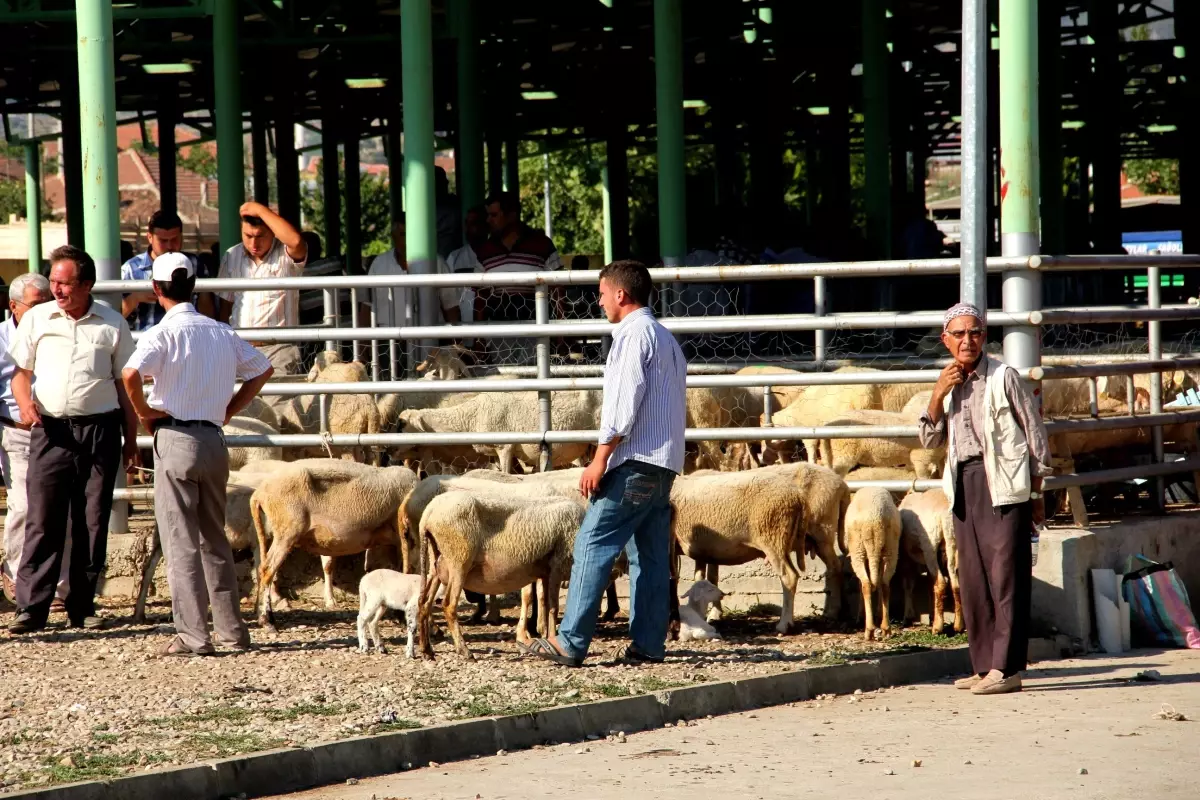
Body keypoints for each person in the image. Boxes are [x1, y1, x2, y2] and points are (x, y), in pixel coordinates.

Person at [522, 260, 686, 667]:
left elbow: (622, 405)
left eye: (600, 293)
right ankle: (648, 644)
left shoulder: (632, 337)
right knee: (647, 556)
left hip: (631, 461)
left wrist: (599, 460)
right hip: (663, 464)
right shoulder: (667, 338)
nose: (598, 302)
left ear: (620, 294)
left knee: (592, 543)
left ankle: (570, 641)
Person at [121, 253, 274, 656]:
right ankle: (232, 632)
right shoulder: (221, 332)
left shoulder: (161, 334)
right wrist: (231, 409)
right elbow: (263, 368)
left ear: (156, 290)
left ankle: (193, 635)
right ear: (194, 286)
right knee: (214, 539)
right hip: (213, 439)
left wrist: (143, 412)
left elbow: (130, 374)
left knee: (180, 540)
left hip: (174, 437)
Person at [917, 302, 1052, 695]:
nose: (967, 340)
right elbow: (929, 441)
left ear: (984, 337)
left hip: (1005, 484)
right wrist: (938, 393)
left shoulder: (1003, 376)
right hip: (964, 483)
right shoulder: (948, 383)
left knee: (1005, 575)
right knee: (973, 578)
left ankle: (1007, 669)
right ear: (945, 340)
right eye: (958, 334)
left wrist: (1038, 489)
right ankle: (983, 666)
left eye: (974, 332)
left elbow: (1034, 432)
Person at [6, 246, 139, 634]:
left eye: (65, 283)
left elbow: (124, 385)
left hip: (100, 430)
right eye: (54, 282)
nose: (57, 290)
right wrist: (25, 402)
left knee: (92, 521)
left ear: (87, 285)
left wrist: (131, 440)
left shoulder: (112, 324)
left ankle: (82, 604)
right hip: (51, 431)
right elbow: (20, 372)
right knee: (42, 517)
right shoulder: (38, 320)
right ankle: (31, 608)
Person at [0, 272, 71, 610]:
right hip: (15, 430)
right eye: (36, 304)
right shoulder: (1, 338)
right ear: (14, 306)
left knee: (60, 505)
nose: (45, 309)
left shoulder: (58, 333)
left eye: (48, 302)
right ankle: (15, 574)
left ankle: (56, 585)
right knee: (25, 505)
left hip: (55, 429)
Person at [359, 216, 464, 376]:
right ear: (393, 237)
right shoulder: (379, 264)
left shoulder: (437, 262)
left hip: (430, 341)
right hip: (388, 342)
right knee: (390, 392)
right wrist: (363, 343)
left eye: (411, 234)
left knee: (432, 391)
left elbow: (450, 305)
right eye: (402, 234)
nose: (407, 240)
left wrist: (455, 344)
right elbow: (367, 306)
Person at [216, 202, 308, 375]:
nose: (254, 243)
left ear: (273, 232)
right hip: (239, 349)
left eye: (260, 236)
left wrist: (259, 210)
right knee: (241, 402)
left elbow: (296, 241)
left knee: (277, 402)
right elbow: (225, 305)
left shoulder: (284, 254)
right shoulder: (231, 255)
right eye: (248, 236)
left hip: (279, 349)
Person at [474, 191, 563, 364]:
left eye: (493, 215)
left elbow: (558, 289)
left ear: (512, 215)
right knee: (503, 380)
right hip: (498, 328)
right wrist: (479, 338)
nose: (488, 220)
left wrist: (561, 332)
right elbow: (479, 298)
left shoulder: (541, 244)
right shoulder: (485, 251)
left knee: (535, 374)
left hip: (536, 325)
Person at [121, 210, 212, 329]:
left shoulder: (195, 264)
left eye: (174, 239)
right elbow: (114, 319)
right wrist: (135, 298)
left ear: (182, 236)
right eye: (163, 241)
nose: (169, 246)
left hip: (186, 336)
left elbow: (209, 314)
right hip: (145, 340)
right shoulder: (131, 269)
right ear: (149, 237)